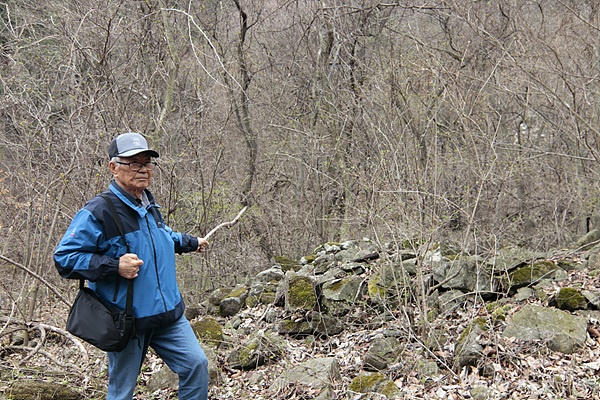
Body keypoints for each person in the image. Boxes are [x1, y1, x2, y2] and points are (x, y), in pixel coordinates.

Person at [54, 132, 209, 400]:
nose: (142, 170)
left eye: (147, 163)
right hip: (128, 322)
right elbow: (64, 258)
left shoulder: (149, 204)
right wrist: (115, 265)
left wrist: (189, 242)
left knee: (197, 365)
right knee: (122, 392)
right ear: (113, 167)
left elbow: (161, 236)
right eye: (133, 163)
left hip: (168, 315)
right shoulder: (99, 211)